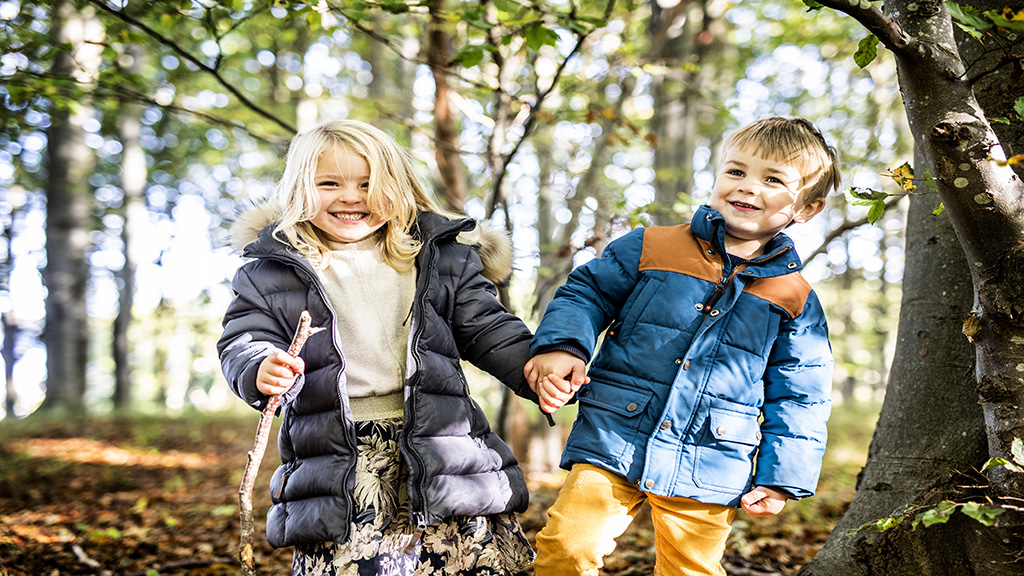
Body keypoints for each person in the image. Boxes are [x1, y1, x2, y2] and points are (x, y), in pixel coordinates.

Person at [218, 119, 537, 576]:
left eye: (369, 184)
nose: (351, 197)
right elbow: (244, 337)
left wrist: (538, 369)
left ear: (398, 187)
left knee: (459, 562)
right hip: (341, 454)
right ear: (298, 191)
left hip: (441, 441)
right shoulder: (272, 271)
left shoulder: (435, 255)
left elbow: (488, 329)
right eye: (329, 183)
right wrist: (258, 367)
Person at [525, 116, 840, 576]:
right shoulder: (650, 246)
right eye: (736, 172)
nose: (747, 187)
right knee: (567, 547)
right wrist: (564, 347)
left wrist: (781, 477)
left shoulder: (795, 298)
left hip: (710, 456)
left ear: (808, 208)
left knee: (690, 571)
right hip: (615, 434)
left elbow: (801, 394)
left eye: (772, 180)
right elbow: (585, 294)